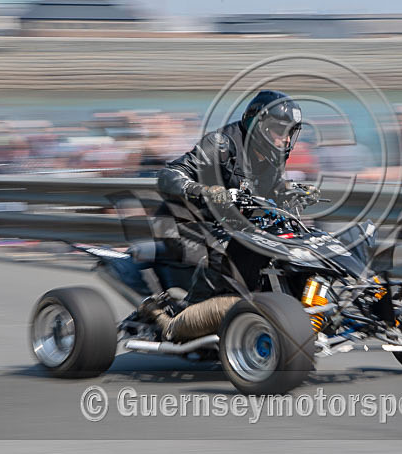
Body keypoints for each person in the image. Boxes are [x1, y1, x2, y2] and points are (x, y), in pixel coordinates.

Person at [113, 90, 319, 314]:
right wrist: (202, 190)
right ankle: (189, 316)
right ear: (259, 126)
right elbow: (169, 175)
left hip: (227, 226)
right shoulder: (221, 145)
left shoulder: (271, 157)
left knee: (289, 246)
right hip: (181, 225)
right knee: (225, 252)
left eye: (291, 132)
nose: (287, 139)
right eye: (281, 130)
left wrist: (291, 191)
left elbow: (270, 190)